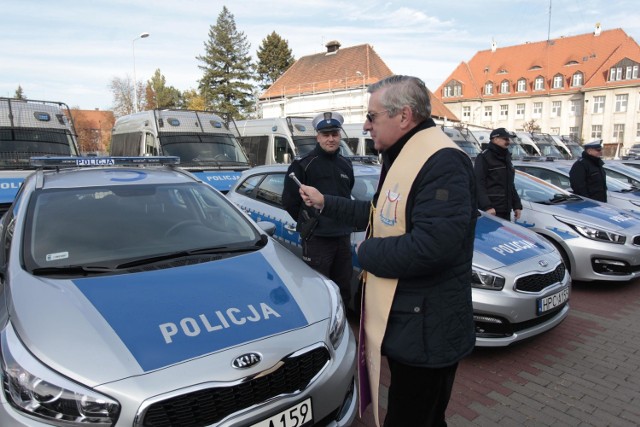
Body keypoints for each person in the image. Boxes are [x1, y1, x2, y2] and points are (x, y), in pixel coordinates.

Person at [298, 75, 477, 427]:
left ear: (404, 116)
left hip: (428, 330)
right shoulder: (406, 154)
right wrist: (326, 203)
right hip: (413, 323)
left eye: (372, 116)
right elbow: (381, 214)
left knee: (413, 417)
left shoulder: (442, 162)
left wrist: (367, 254)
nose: (365, 126)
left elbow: (433, 246)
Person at [282, 111, 355, 308]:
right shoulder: (303, 165)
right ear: (318, 137)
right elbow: (289, 201)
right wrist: (310, 222)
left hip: (342, 237)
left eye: (335, 134)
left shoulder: (346, 165)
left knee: (343, 288)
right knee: (318, 290)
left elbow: (347, 197)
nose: (331, 139)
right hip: (318, 239)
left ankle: (343, 330)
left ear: (340, 136)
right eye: (326, 135)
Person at [474, 127, 523, 221]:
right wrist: (487, 206)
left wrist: (517, 205)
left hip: (505, 210)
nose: (508, 141)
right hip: (492, 211)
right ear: (495, 139)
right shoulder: (484, 157)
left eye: (509, 139)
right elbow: (478, 184)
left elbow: (510, 184)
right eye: (506, 139)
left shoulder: (506, 157)